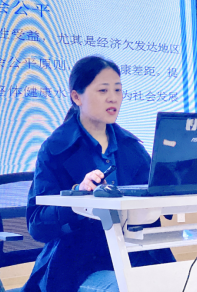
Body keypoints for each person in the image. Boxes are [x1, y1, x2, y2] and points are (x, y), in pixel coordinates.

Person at [23, 56, 175, 292]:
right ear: (76, 97)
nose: (113, 97)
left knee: (184, 282)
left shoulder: (130, 146)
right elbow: (37, 224)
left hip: (134, 255)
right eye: (103, 90)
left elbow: (156, 192)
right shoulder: (55, 149)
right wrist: (77, 195)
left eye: (118, 90)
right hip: (78, 264)